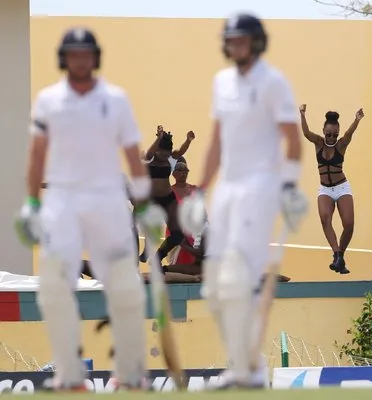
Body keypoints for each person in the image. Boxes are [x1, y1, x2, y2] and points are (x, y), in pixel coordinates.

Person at [15, 27, 165, 392]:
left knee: (125, 286)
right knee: (54, 285)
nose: (79, 60)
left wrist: (144, 205)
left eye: (85, 54)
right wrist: (32, 203)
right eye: (73, 54)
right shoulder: (49, 100)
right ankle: (69, 374)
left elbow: (133, 157)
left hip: (107, 197)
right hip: (63, 199)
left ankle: (129, 372)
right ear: (63, 58)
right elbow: (36, 155)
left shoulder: (115, 99)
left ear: (95, 57)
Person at [177, 13, 309, 389]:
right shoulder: (221, 83)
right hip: (227, 192)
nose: (235, 46)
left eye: (242, 39)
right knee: (214, 286)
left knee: (240, 279)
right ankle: (242, 366)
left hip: (260, 189)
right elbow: (217, 142)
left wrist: (287, 188)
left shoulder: (274, 82)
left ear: (256, 42)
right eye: (230, 40)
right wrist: (199, 190)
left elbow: (293, 142)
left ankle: (248, 368)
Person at [299, 105, 364, 274]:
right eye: (328, 134)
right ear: (323, 131)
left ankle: (341, 254)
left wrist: (357, 119)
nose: (331, 138)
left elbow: (349, 134)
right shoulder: (319, 142)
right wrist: (302, 114)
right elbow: (306, 133)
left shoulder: (341, 145)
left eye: (335, 134)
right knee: (325, 218)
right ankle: (336, 254)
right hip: (325, 189)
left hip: (341, 187)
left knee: (349, 224)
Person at [139, 127, 195, 263]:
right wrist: (158, 138)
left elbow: (180, 152)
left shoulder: (170, 158)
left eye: (167, 154)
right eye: (162, 154)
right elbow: (148, 154)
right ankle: (147, 251)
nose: (165, 157)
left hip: (168, 198)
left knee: (177, 234)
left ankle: (159, 256)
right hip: (152, 199)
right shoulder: (149, 157)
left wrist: (188, 140)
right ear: (157, 149)